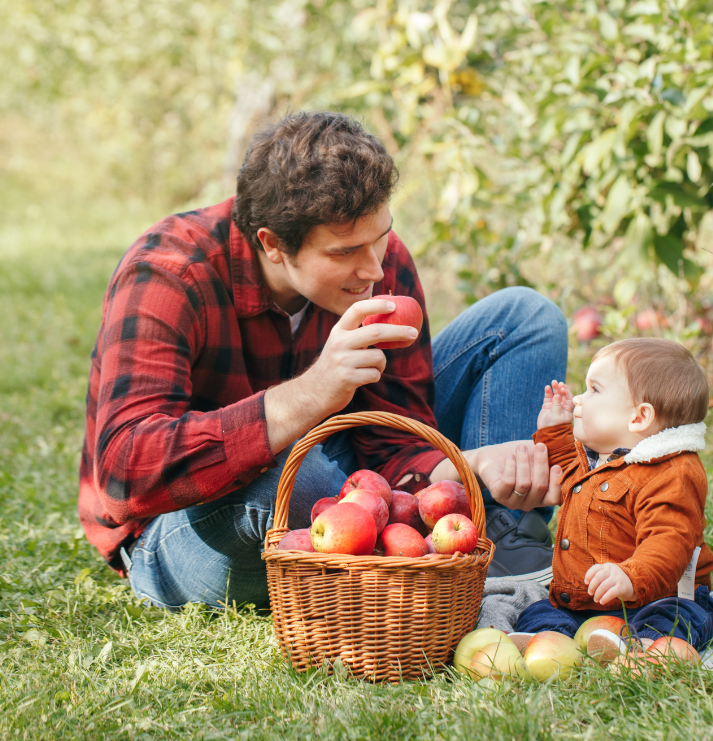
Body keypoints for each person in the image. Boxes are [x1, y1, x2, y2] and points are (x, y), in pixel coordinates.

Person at [78, 111, 567, 610]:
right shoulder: (169, 273)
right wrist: (309, 396)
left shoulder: (375, 258)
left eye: (382, 237)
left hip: (349, 482)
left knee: (526, 317)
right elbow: (123, 474)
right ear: (271, 244)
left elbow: (393, 439)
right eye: (345, 252)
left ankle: (490, 536)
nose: (375, 268)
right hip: (192, 527)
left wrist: (470, 466)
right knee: (298, 472)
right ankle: (410, 556)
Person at [513, 338, 713, 649]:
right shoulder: (597, 456)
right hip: (586, 599)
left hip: (656, 594)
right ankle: (545, 642)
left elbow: (670, 539)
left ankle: (642, 650)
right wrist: (554, 431)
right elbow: (565, 477)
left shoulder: (672, 472)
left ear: (639, 417)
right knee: (541, 613)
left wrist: (631, 576)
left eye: (594, 390)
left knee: (678, 620)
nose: (578, 401)